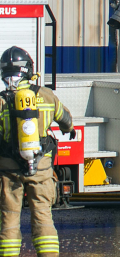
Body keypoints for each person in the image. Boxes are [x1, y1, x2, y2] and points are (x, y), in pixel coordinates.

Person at [0, 47, 72, 257]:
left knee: (9, 217)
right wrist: (70, 129)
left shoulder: (2, 100)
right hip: (41, 170)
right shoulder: (46, 95)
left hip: (8, 171)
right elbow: (65, 118)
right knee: (43, 215)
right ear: (28, 70)